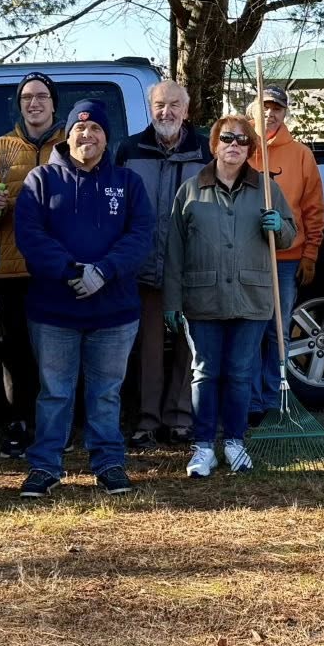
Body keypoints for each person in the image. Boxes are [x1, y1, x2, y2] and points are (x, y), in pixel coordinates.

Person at [11, 98, 154, 498]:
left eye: (95, 130)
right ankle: (45, 467)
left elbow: (140, 236)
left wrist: (103, 272)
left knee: (106, 392)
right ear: (67, 134)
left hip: (114, 311)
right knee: (55, 392)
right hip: (54, 310)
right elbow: (31, 236)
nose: (87, 135)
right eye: (79, 128)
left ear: (107, 138)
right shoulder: (41, 180)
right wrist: (73, 271)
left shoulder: (128, 183)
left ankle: (108, 463)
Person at [164, 113, 296, 476]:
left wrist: (278, 226)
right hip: (202, 298)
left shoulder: (267, 189)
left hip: (251, 297)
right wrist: (172, 302)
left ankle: (235, 442)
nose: (234, 145)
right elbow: (174, 250)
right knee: (204, 373)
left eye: (241, 140)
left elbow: (289, 235)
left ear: (251, 149)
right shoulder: (190, 190)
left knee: (240, 373)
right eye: (227, 139)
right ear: (215, 144)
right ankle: (204, 446)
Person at [115, 79, 209, 446]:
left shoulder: (205, 150)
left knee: (189, 345)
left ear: (186, 111)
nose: (166, 112)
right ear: (150, 109)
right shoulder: (129, 149)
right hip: (144, 268)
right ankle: (148, 420)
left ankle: (180, 416)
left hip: (192, 267)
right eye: (159, 105)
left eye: (174, 105)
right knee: (148, 347)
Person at [0, 71, 63, 458]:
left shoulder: (70, 142)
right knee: (15, 353)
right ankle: (20, 422)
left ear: (53, 103)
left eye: (41, 96)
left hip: (56, 267)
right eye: (27, 97)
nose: (34, 103)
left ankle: (57, 424)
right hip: (10, 269)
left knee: (57, 351)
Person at [246, 85, 324, 423]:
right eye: (264, 107)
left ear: (284, 113)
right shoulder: (241, 148)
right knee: (248, 329)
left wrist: (310, 252)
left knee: (276, 331)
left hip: (286, 258)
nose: (269, 113)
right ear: (253, 112)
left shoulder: (301, 155)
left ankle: (271, 399)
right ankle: (248, 403)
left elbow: (313, 208)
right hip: (247, 259)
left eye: (276, 108)